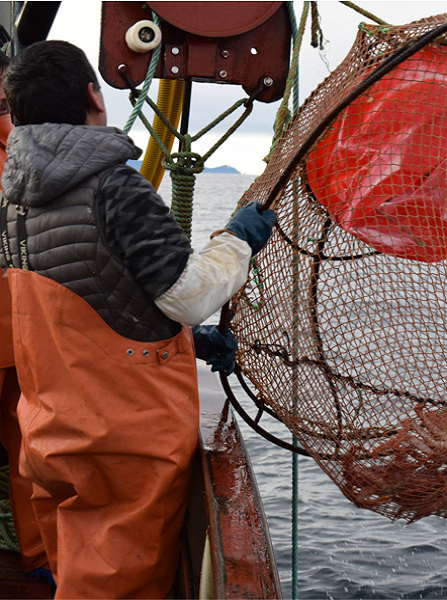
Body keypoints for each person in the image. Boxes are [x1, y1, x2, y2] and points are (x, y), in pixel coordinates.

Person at [0, 40, 276, 598]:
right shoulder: (115, 187)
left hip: (50, 433)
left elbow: (88, 296)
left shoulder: (13, 200)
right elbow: (190, 295)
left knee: (69, 566)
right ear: (92, 95)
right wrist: (237, 240)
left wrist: (185, 340)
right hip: (122, 447)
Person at [0, 49, 51, 581]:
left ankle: (43, 556)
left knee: (31, 448)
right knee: (30, 447)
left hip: (21, 327)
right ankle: (42, 558)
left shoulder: (22, 143)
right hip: (23, 326)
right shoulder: (26, 142)